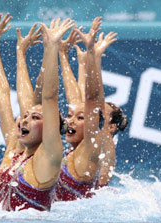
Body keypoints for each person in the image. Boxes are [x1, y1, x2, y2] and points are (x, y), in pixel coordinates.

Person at [0, 14, 72, 211]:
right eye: (26, 116)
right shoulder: (14, 150)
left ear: (50, 129)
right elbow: (2, 98)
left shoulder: (49, 156)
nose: (25, 120)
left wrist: (51, 47)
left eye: (35, 117)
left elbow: (49, 97)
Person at [58, 26, 127, 190]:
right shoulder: (82, 145)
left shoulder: (103, 141)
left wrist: (94, 57)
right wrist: (66, 56)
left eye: (101, 116)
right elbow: (77, 101)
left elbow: (94, 100)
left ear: (110, 126)